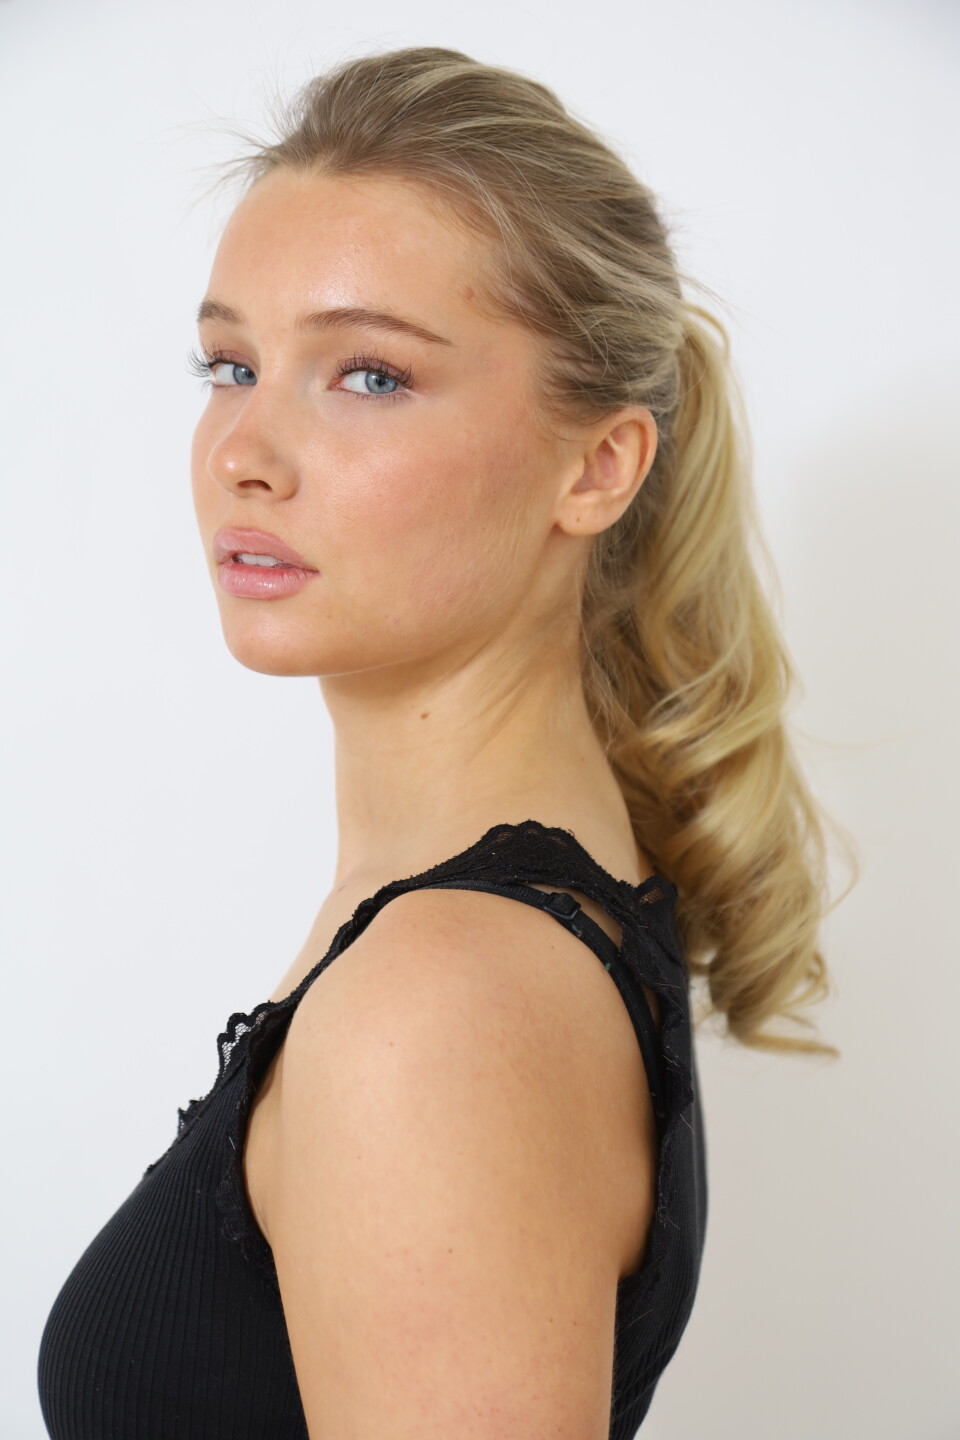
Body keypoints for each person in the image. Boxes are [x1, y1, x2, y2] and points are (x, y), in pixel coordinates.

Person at [37, 45, 851, 1440]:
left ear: (597, 465)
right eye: (231, 363)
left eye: (368, 376)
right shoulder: (473, 926)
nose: (242, 451)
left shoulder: (440, 1005)